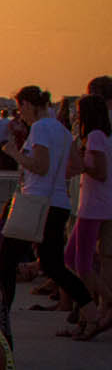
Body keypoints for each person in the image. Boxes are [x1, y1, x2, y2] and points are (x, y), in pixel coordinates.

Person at [0, 84, 92, 328]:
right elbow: (78, 165)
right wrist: (57, 177)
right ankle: (91, 312)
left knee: (7, 260)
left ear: (27, 105)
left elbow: (40, 166)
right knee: (53, 265)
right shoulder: (62, 130)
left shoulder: (40, 128)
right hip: (58, 203)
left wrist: (14, 153)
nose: (21, 116)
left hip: (35, 202)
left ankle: (1, 315)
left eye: (20, 109)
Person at [61, 93, 110, 339]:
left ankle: (104, 305)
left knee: (81, 264)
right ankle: (88, 314)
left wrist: (80, 163)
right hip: (94, 205)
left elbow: (100, 172)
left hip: (94, 207)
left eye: (79, 113)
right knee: (70, 257)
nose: (76, 117)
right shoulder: (101, 136)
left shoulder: (96, 136)